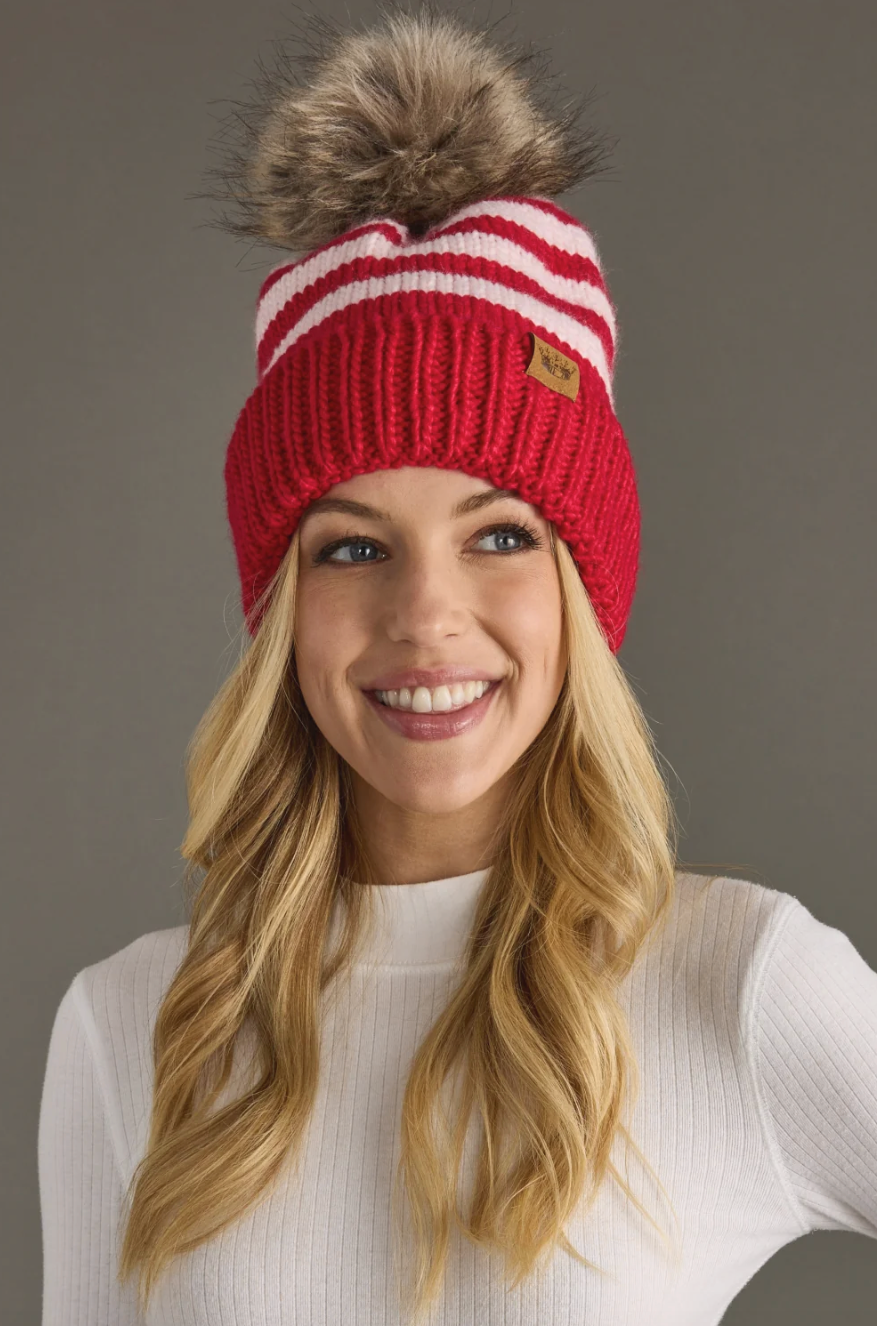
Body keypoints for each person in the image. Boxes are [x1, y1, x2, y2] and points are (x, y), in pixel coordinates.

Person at [37, 6, 877, 1325]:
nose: (428, 617)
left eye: (497, 534)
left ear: (579, 587)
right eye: (354, 549)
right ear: (280, 612)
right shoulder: (125, 1031)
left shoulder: (743, 984)